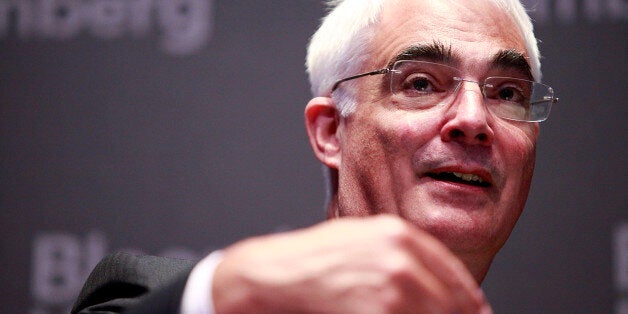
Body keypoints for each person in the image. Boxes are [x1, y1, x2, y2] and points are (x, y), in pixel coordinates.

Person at [72, 0, 558, 313]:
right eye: (421, 83)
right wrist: (228, 295)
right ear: (330, 132)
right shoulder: (179, 299)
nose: (474, 119)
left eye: (508, 93)